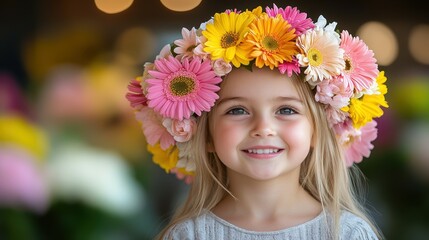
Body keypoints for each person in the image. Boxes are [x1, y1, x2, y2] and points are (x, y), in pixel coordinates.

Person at [126, 3, 388, 239]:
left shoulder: (348, 233)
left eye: (286, 110)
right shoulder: (188, 235)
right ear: (206, 135)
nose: (263, 128)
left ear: (317, 130)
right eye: (237, 110)